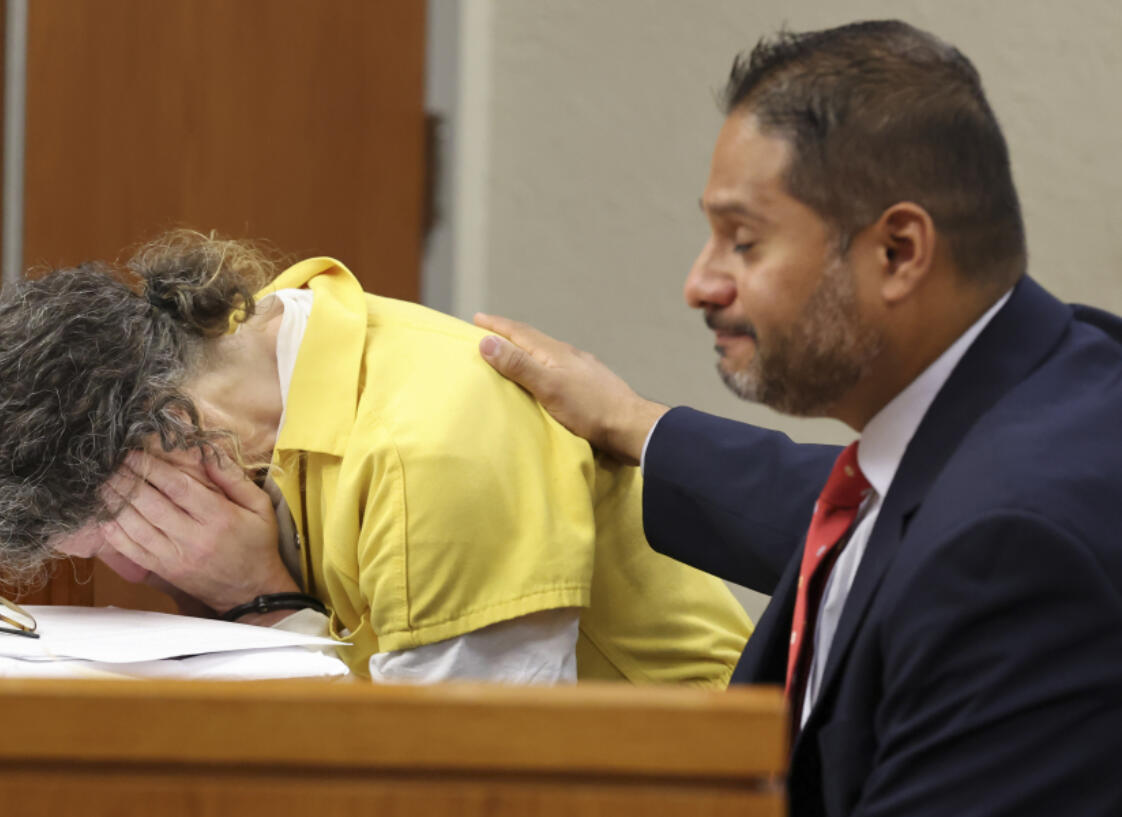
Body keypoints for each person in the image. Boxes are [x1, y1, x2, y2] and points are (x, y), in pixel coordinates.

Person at [475, 19, 1122, 816]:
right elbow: (864, 517)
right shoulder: (1052, 375)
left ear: (898, 252)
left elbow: (963, 544)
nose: (699, 283)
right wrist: (635, 423)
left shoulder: (1012, 547)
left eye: (742, 242)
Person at [0, 230, 751, 685]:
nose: (136, 572)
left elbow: (457, 777)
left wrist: (260, 600)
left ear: (164, 432)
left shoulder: (428, 446)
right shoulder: (270, 351)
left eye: (118, 533)